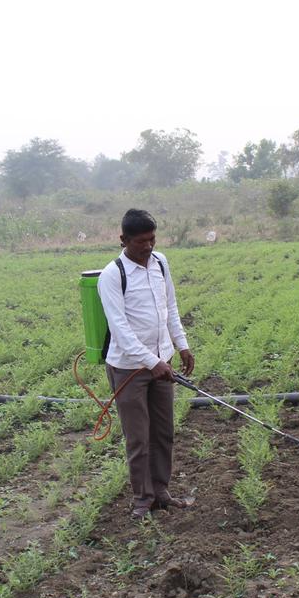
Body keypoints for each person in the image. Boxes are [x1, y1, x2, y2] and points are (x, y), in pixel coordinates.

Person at [98, 209, 196, 521]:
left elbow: (171, 306)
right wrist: (152, 363)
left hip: (161, 363)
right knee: (139, 438)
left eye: (152, 239)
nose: (148, 246)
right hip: (129, 369)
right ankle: (143, 500)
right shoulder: (112, 275)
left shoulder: (161, 263)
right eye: (141, 241)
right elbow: (120, 329)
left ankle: (162, 491)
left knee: (164, 432)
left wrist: (181, 345)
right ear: (123, 240)